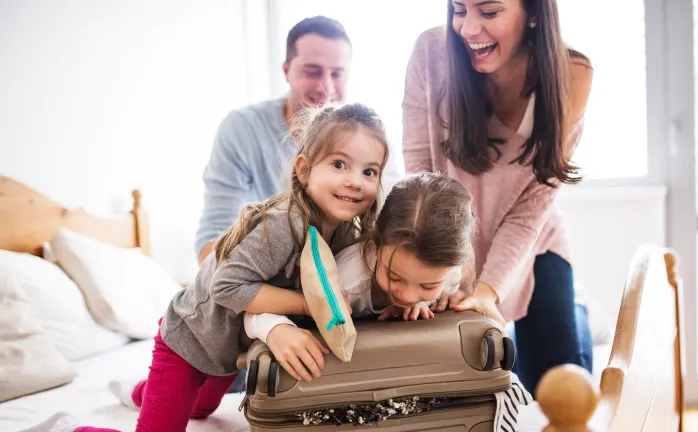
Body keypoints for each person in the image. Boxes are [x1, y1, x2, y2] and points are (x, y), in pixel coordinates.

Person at [50, 102, 390, 432]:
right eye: (339, 165)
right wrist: (306, 303)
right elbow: (227, 287)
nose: (355, 181)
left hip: (228, 349)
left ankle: (138, 391)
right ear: (303, 169)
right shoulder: (282, 226)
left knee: (201, 409)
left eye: (369, 171)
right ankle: (70, 427)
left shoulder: (346, 230)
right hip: (188, 340)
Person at [401, 0, 594, 394]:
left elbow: (531, 211)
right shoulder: (431, 53)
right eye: (459, 9)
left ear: (535, 13)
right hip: (453, 240)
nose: (469, 29)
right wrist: (443, 270)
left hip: (533, 243)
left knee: (557, 386)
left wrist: (488, 291)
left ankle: (580, 312)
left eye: (489, 12)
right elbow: (421, 174)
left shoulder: (571, 74)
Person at [243, 172, 476, 382]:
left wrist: (427, 302)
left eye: (428, 285)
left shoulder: (450, 273)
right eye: (394, 276)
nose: (407, 295)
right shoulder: (347, 279)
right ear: (376, 243)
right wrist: (275, 329)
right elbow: (253, 308)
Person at [195, 15, 353, 265]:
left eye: (337, 73)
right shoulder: (241, 130)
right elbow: (211, 246)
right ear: (286, 71)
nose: (326, 87)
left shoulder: (367, 136)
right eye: (312, 72)